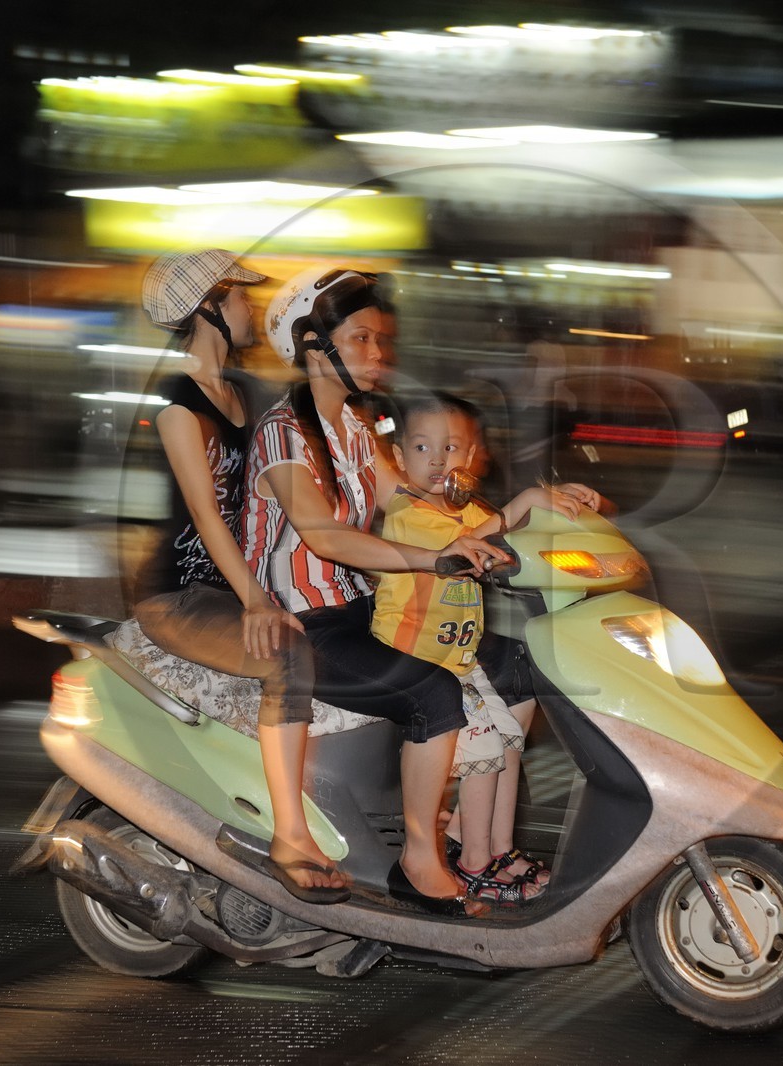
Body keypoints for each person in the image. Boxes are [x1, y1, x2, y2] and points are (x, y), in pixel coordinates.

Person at [242, 265, 510, 917]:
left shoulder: (355, 429)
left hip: (363, 606)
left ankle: (477, 842)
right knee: (434, 691)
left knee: (505, 662)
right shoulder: (284, 434)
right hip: (307, 624)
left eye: (380, 341)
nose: (377, 354)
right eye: (360, 340)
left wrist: (520, 509)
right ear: (314, 348)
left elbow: (408, 497)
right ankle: (420, 858)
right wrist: (433, 559)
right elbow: (325, 537)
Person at [131, 248, 348, 905]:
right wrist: (256, 602)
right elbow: (206, 514)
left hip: (234, 585)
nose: (251, 307)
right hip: (179, 596)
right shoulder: (177, 404)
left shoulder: (245, 396)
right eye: (240, 298)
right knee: (288, 658)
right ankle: (289, 836)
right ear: (209, 310)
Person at [372, 392, 600, 905]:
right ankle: (475, 862)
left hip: (458, 660)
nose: (436, 460)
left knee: (506, 740)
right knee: (488, 749)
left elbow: (504, 528)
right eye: (422, 447)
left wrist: (561, 503)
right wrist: (520, 507)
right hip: (418, 659)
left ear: (471, 460)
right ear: (400, 458)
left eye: (451, 448)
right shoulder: (411, 511)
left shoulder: (467, 507)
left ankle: (492, 848)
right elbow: (464, 544)